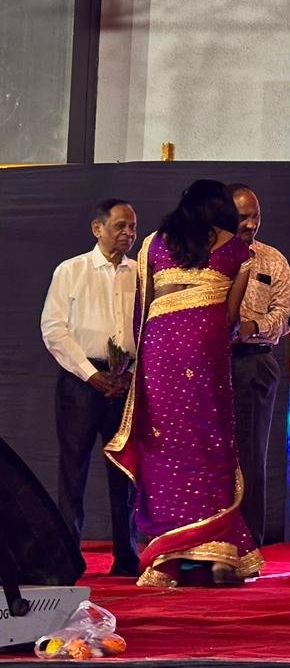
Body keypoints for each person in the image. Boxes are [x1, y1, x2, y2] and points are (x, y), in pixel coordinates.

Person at [104, 180, 259, 587]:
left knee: (163, 447)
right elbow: (230, 319)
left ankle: (166, 560)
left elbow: (142, 311)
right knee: (211, 441)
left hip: (160, 349)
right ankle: (219, 556)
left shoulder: (154, 242)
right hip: (205, 348)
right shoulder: (237, 250)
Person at [40, 199, 140, 577]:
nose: (128, 233)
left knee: (125, 471)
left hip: (125, 382)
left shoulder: (139, 273)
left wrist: (130, 374)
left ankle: (127, 556)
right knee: (73, 471)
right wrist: (90, 374)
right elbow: (54, 329)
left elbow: (149, 329)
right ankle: (68, 555)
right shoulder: (72, 270)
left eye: (132, 227)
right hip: (81, 382)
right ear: (97, 229)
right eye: (120, 226)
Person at [225, 183, 290, 547]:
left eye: (256, 216)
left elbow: (285, 314)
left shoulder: (271, 259)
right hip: (208, 364)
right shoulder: (202, 256)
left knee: (251, 455)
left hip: (254, 361)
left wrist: (253, 326)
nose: (250, 224)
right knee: (205, 453)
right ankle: (205, 540)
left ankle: (247, 545)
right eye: (242, 217)